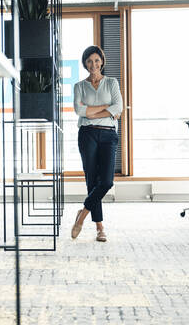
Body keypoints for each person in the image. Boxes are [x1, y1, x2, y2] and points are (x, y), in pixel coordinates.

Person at [71, 45, 123, 242]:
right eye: (89, 61)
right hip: (87, 135)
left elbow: (119, 106)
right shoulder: (79, 86)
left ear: (102, 62)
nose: (93, 64)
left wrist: (91, 111)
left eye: (96, 60)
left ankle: (82, 214)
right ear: (85, 63)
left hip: (108, 135)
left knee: (107, 181)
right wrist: (107, 109)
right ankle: (100, 228)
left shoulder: (111, 83)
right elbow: (79, 111)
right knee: (92, 181)